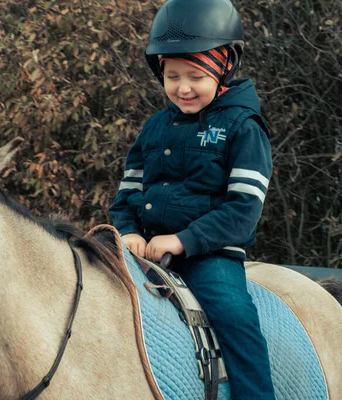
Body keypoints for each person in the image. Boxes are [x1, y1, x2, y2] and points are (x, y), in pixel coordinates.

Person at [108, 0, 275, 398]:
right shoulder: (153, 127)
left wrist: (183, 240)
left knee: (236, 318)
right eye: (173, 75)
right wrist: (127, 230)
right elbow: (128, 193)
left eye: (196, 75)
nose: (182, 87)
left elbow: (244, 212)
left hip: (210, 255)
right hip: (142, 250)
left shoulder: (243, 127)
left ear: (224, 69)